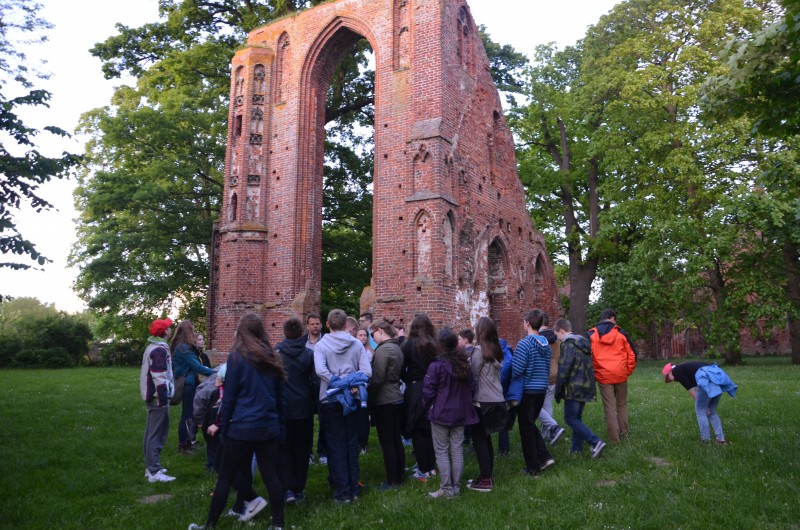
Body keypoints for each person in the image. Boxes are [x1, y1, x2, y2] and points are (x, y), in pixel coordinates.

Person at [188, 312, 287, 530]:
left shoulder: (236, 358)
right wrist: (280, 428)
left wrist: (223, 427)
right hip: (267, 426)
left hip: (242, 426)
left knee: (225, 475)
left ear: (241, 331)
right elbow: (281, 399)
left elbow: (229, 398)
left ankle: (210, 525)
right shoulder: (273, 357)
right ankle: (278, 524)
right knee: (271, 476)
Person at [314, 308, 372, 504]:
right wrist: (349, 381)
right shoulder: (356, 344)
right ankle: (353, 489)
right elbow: (366, 372)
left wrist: (337, 381)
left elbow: (321, 371)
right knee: (350, 444)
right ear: (346, 325)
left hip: (330, 400)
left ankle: (342, 492)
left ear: (328, 324)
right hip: (353, 397)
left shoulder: (321, 346)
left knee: (336, 446)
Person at [193, 364, 257, 519]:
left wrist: (218, 424)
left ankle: (252, 500)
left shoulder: (233, 380)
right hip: (250, 426)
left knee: (223, 467)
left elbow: (228, 407)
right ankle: (243, 505)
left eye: (220, 380)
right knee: (241, 468)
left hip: (235, 430)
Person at [422, 328, 479, 499]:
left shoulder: (436, 366)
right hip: (460, 411)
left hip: (441, 412)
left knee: (441, 451)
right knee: (456, 450)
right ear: (455, 344)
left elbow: (428, 391)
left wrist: (425, 406)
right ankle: (454, 487)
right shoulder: (463, 364)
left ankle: (447, 489)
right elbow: (471, 386)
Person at [276, 317, 316, 503]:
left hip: (283, 407)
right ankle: (298, 487)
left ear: (284, 332)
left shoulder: (276, 353)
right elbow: (314, 382)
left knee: (284, 449)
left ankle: (287, 488)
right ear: (301, 333)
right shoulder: (308, 354)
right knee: (302, 449)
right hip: (303, 407)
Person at [553, 319, 606, 457]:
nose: (557, 338)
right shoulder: (583, 342)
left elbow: (564, 368)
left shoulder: (568, 344)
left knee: (570, 418)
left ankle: (595, 442)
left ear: (561, 331)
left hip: (573, 388)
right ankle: (576, 449)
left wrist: (558, 391)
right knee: (577, 418)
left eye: (557, 335)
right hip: (586, 386)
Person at [512, 310, 555, 477]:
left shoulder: (525, 344)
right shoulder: (545, 342)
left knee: (526, 428)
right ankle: (544, 456)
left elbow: (517, 370)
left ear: (527, 323)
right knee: (530, 424)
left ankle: (533, 468)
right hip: (541, 390)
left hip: (528, 390)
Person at [467, 317, 507, 492]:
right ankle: (487, 475)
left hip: (482, 401)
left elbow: (473, 376)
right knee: (487, 438)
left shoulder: (478, 351)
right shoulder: (498, 350)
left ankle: (485, 479)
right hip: (497, 399)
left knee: (479, 440)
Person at [588, 309, 637, 443]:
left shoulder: (592, 334)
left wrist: (595, 372)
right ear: (612, 319)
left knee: (609, 407)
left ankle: (614, 439)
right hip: (620, 374)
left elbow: (587, 357)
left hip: (603, 376)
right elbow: (632, 354)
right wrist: (628, 371)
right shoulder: (621, 333)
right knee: (622, 404)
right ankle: (624, 433)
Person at [368, 318, 405, 491]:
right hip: (397, 397)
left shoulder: (383, 350)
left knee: (387, 441)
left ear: (380, 331)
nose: (372, 338)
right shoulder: (397, 347)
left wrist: (369, 399)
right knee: (396, 439)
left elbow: (377, 379)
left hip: (385, 399)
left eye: (373, 334)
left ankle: (392, 480)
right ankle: (399, 476)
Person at [401, 314, 439, 482]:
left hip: (416, 388)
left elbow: (401, 369)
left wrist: (409, 380)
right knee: (430, 428)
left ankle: (423, 469)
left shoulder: (408, 345)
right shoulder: (435, 345)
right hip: (433, 387)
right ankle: (431, 467)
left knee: (417, 429)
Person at [663, 362, 737, 444]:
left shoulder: (677, 371)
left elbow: (691, 390)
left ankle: (705, 440)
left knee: (701, 411)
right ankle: (721, 440)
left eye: (668, 378)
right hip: (717, 376)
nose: (671, 381)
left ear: (669, 372)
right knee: (711, 411)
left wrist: (703, 406)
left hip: (705, 378)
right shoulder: (686, 368)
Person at [172, 320, 216, 453]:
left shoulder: (179, 346)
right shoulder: (184, 348)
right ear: (188, 332)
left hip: (188, 382)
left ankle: (188, 442)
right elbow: (197, 367)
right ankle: (183, 445)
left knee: (189, 414)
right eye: (192, 330)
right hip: (188, 384)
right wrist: (216, 372)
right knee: (187, 415)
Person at [140, 317, 176, 483]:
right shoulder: (159, 351)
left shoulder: (155, 347)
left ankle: (152, 467)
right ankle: (154, 472)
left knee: (152, 432)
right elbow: (159, 377)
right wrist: (163, 399)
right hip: (157, 398)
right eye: (169, 327)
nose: (171, 328)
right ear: (165, 332)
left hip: (154, 397)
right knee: (156, 433)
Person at [537, 314, 566, 445]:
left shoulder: (536, 339)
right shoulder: (557, 341)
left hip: (539, 377)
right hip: (554, 376)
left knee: (534, 405)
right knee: (547, 406)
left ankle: (552, 427)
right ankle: (547, 434)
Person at [302, 313, 326, 465]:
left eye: (317, 324)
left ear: (321, 325)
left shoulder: (327, 341)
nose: (315, 326)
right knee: (306, 422)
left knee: (324, 420)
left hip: (323, 385)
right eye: (312, 324)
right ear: (307, 326)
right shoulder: (302, 342)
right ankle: (308, 453)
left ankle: (323, 452)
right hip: (306, 386)